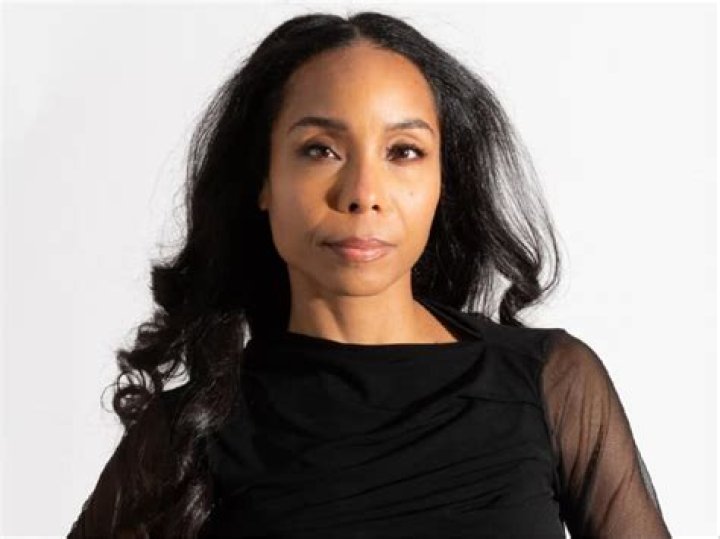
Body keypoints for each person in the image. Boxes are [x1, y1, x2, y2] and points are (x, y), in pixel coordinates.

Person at [68, 11, 672, 538]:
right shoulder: (185, 435)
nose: (363, 193)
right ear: (263, 181)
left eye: (404, 151)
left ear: (442, 181)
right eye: (320, 150)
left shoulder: (553, 386)